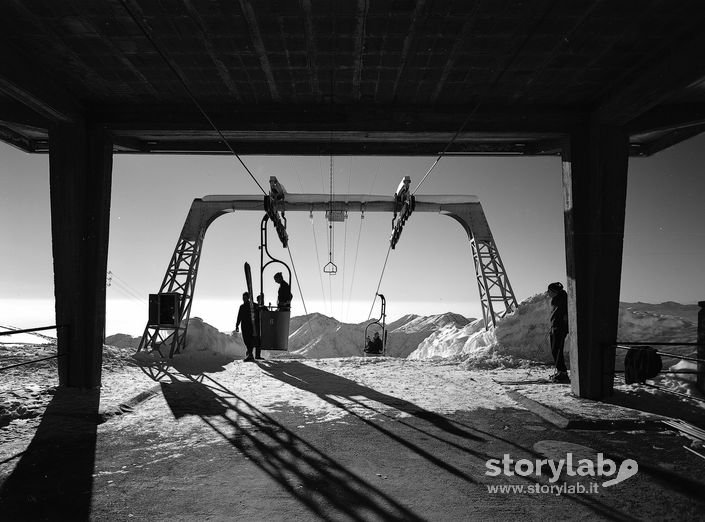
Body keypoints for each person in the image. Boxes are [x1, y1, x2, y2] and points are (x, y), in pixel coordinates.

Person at [547, 282, 569, 382]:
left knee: (557, 350)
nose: (548, 293)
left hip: (560, 328)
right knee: (555, 350)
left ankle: (563, 373)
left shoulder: (562, 300)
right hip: (555, 327)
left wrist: (561, 326)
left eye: (549, 291)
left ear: (554, 292)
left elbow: (564, 315)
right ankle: (561, 372)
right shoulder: (557, 299)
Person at [235, 292, 259, 362]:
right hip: (244, 325)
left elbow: (258, 307)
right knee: (246, 340)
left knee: (249, 340)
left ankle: (250, 354)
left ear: (248, 298)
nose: (244, 299)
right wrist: (237, 325)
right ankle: (249, 353)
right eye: (243, 298)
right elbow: (239, 316)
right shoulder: (242, 307)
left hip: (250, 325)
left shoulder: (252, 305)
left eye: (245, 297)